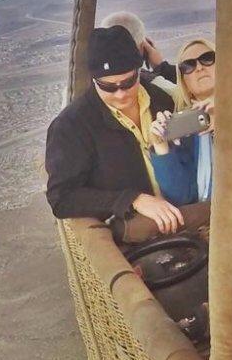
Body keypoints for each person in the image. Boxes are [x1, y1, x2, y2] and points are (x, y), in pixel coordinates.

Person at [44, 26, 185, 236]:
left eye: (128, 82)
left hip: (184, 217)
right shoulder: (72, 126)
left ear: (140, 71)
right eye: (108, 87)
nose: (120, 94)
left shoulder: (161, 100)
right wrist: (132, 199)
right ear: (94, 80)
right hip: (135, 237)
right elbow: (62, 198)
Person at [147, 35, 218, 205]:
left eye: (207, 59)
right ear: (184, 83)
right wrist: (161, 146)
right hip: (208, 220)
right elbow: (182, 196)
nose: (199, 68)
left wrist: (231, 112)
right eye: (188, 66)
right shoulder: (187, 130)